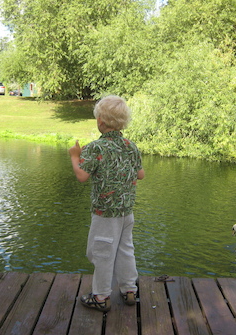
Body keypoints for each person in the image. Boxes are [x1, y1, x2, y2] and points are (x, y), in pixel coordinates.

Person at [69, 95, 145, 312]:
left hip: (105, 213)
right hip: (126, 212)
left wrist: (75, 156)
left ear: (100, 121)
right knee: (125, 249)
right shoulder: (131, 146)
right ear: (123, 122)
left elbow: (82, 176)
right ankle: (129, 290)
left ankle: (101, 297)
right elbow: (141, 175)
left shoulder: (96, 147)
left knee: (101, 252)